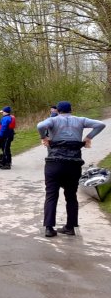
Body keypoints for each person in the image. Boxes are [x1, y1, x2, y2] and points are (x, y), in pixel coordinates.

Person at [36, 101, 105, 237]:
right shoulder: (80, 120)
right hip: (73, 164)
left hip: (54, 163)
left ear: (58, 111)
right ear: (71, 110)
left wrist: (44, 137)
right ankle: (70, 227)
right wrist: (88, 137)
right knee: (71, 196)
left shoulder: (53, 120)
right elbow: (101, 124)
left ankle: (49, 228)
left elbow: (40, 125)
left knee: (51, 195)